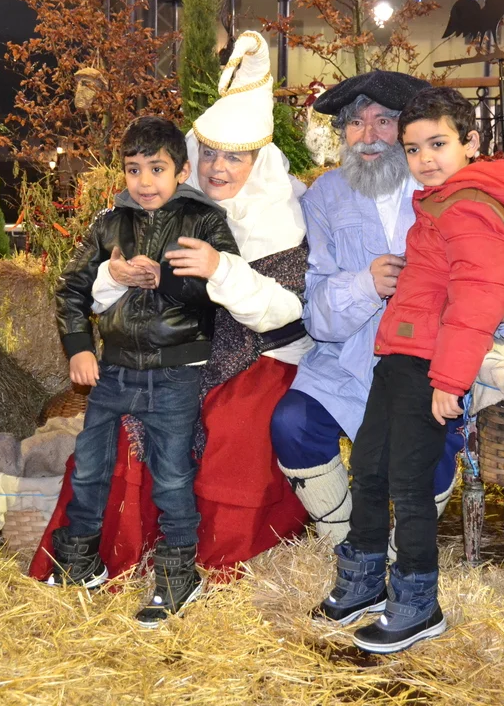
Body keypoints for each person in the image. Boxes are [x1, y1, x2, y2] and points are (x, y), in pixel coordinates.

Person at [31, 31, 309, 582]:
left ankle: (198, 562)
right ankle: (107, 557)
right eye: (210, 154)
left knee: (231, 427)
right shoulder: (168, 209)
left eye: (234, 157)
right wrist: (114, 279)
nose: (217, 168)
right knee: (116, 433)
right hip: (173, 350)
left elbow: (285, 312)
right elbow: (99, 286)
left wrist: (219, 269)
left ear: (259, 161)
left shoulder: (281, 217)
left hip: (261, 355)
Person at [315, 86, 504, 653]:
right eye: (414, 148)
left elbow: (478, 300)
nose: (425, 159)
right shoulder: (441, 204)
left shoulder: (470, 209)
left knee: (408, 482)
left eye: (438, 144)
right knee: (369, 465)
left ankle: (419, 602)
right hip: (398, 358)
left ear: (471, 143)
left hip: (429, 366)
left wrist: (449, 381)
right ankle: (365, 578)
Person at [270, 72, 504, 549]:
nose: (368, 137)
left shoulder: (448, 187)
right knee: (292, 423)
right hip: (347, 361)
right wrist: (365, 285)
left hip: (433, 362)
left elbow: (498, 288)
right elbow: (315, 313)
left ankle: (403, 551)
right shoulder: (323, 196)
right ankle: (343, 541)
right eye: (355, 123)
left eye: (383, 122)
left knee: (431, 446)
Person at [50, 115, 238, 627]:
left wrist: (166, 281)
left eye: (157, 169)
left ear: (181, 171)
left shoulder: (205, 220)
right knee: (89, 465)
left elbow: (223, 289)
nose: (144, 181)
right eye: (134, 170)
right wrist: (78, 348)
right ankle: (80, 559)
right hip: (113, 368)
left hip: (176, 371)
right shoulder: (109, 223)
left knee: (172, 473)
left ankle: (178, 573)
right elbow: (70, 289)